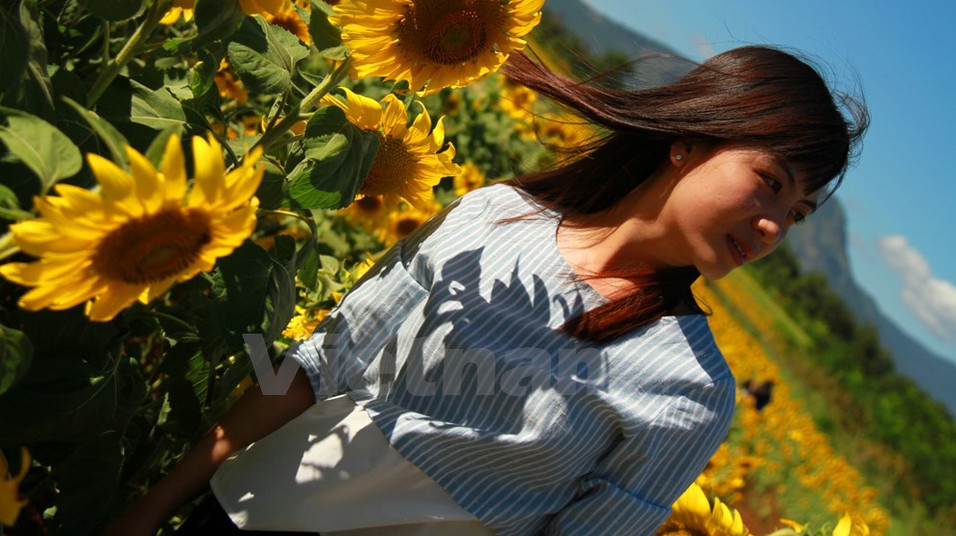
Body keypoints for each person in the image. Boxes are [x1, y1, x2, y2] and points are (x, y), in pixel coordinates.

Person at [108, 46, 867, 536]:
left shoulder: (689, 392)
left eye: (795, 215)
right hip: (239, 514)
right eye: (770, 183)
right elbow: (315, 369)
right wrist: (147, 511)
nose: (773, 227)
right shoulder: (493, 215)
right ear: (688, 141)